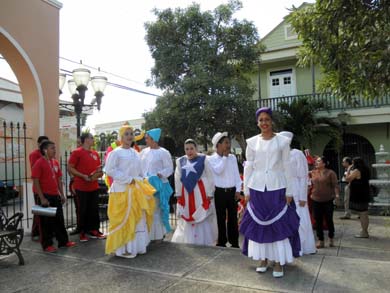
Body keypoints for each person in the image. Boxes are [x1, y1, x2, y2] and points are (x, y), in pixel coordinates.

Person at [239, 107, 300, 278]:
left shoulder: (282, 141)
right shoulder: (251, 143)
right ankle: (263, 259)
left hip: (277, 188)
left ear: (271, 121)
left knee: (277, 224)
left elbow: (287, 166)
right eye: (261, 120)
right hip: (257, 188)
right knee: (259, 223)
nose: (264, 123)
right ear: (257, 123)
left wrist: (289, 191)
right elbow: (249, 167)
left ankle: (279, 262)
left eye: (267, 119)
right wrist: (246, 190)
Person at [104, 125, 156, 258]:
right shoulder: (115, 153)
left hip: (136, 191)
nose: (129, 136)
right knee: (124, 219)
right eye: (126, 134)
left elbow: (141, 170)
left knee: (138, 217)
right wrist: (127, 179)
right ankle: (124, 248)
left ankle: (137, 247)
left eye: (131, 134)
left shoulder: (136, 152)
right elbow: (110, 170)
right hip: (121, 190)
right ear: (121, 137)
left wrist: (142, 179)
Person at [31, 140, 76, 252]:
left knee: (59, 220)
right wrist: (42, 198)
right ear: (45, 150)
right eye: (52, 148)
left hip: (55, 195)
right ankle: (47, 245)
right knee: (45, 223)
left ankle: (63, 242)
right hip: (45, 196)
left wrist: (62, 194)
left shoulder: (55, 162)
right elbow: (36, 180)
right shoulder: (39, 163)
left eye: (54, 148)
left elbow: (59, 180)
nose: (55, 150)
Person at [171, 139, 217, 246]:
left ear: (196, 148)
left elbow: (210, 175)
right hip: (186, 193)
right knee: (188, 212)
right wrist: (178, 193)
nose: (189, 151)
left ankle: (201, 239)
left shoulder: (203, 159)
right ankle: (188, 239)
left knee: (199, 213)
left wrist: (210, 192)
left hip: (200, 193)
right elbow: (177, 177)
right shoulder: (180, 161)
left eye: (191, 148)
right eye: (187, 149)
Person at [279, 131, 316, 255]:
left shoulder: (297, 154)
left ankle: (303, 247)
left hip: (296, 189)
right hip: (282, 191)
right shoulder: (279, 156)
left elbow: (303, 176)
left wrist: (302, 196)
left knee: (300, 220)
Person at [68, 132, 105, 242]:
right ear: (86, 140)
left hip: (93, 186)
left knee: (94, 209)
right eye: (91, 138)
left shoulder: (95, 153)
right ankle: (82, 232)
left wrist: (99, 173)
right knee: (82, 210)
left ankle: (94, 230)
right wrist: (83, 176)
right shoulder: (76, 152)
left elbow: (97, 170)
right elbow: (70, 168)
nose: (93, 139)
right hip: (81, 187)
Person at [208, 132, 241, 248]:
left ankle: (234, 242)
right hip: (219, 192)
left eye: (229, 142)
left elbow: (237, 175)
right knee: (220, 218)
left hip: (232, 192)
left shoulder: (232, 158)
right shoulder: (211, 159)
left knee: (233, 218)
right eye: (226, 143)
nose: (228, 145)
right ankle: (221, 241)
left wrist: (238, 190)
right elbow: (218, 170)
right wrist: (225, 158)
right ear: (218, 144)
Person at [140, 128, 173, 241]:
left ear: (153, 139)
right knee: (147, 209)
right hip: (146, 185)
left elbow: (169, 168)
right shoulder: (143, 152)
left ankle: (158, 234)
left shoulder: (164, 152)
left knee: (157, 209)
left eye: (147, 138)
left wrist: (161, 174)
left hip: (159, 185)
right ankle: (148, 234)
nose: (145, 140)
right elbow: (140, 167)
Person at [310, 156, 340, 249]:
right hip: (315, 199)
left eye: (318, 161)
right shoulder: (313, 173)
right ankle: (321, 240)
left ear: (324, 163)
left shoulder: (330, 173)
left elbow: (335, 185)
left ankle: (331, 237)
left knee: (329, 219)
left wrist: (337, 196)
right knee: (317, 220)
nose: (316, 162)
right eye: (316, 161)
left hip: (328, 200)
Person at [29, 135, 49, 239]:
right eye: (43, 143)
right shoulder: (34, 155)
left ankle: (47, 233)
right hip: (39, 189)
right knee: (39, 212)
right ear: (39, 144)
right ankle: (36, 233)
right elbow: (34, 171)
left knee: (47, 212)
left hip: (48, 188)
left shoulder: (48, 155)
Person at [346, 157, 370, 238]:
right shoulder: (366, 170)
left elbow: (347, 179)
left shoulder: (356, 171)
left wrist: (348, 169)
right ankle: (365, 231)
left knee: (362, 214)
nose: (352, 165)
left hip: (359, 194)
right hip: (365, 192)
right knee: (365, 213)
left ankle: (364, 232)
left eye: (353, 163)